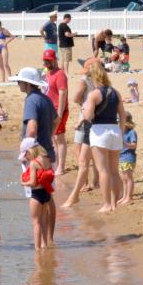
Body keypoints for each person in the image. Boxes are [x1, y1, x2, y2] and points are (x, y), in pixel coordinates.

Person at [11, 65, 57, 235]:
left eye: (20, 82)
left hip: (36, 156)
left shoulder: (31, 100)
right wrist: (48, 136)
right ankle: (49, 238)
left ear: (27, 83)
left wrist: (25, 151)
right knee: (48, 195)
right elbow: (56, 119)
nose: (18, 85)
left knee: (37, 197)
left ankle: (41, 243)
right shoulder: (45, 99)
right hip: (48, 153)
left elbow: (31, 127)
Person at [81, 62, 127, 213]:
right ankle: (114, 202)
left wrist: (86, 108)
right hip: (115, 130)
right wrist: (120, 132)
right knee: (114, 171)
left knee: (103, 171)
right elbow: (122, 115)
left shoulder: (93, 94)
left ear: (93, 76)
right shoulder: (116, 92)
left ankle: (107, 204)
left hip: (99, 131)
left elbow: (88, 117)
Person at [62, 59, 101, 208]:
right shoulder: (100, 81)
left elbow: (76, 97)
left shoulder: (84, 80)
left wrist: (82, 105)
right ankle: (95, 181)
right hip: (99, 116)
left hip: (86, 113)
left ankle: (84, 181)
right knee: (94, 149)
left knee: (79, 148)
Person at [19, 138, 55, 248]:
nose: (26, 157)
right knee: (44, 220)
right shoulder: (47, 159)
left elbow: (33, 182)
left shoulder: (34, 163)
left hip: (36, 195)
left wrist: (23, 183)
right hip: (46, 193)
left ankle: (37, 248)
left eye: (26, 154)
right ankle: (44, 245)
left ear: (30, 150)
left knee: (36, 223)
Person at [42, 49, 69, 176]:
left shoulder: (60, 74)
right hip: (49, 109)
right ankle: (56, 164)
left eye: (49, 60)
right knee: (53, 138)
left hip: (59, 109)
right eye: (45, 61)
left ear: (54, 60)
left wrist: (60, 113)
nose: (46, 63)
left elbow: (63, 93)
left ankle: (61, 167)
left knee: (59, 138)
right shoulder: (47, 74)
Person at [119, 114, 138, 206]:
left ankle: (129, 197)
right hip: (122, 157)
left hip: (129, 156)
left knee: (128, 178)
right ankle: (125, 196)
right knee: (123, 178)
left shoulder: (131, 132)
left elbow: (134, 145)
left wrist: (125, 144)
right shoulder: (121, 132)